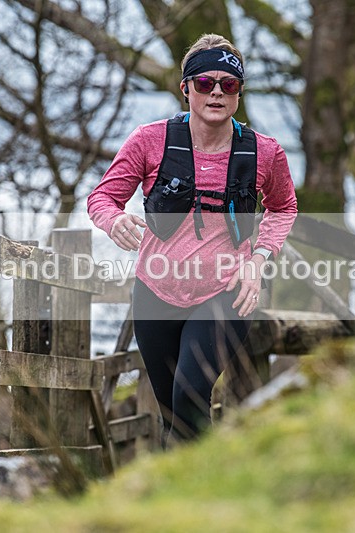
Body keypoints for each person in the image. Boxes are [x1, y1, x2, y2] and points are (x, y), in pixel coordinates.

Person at [87, 34, 297, 442]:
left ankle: (198, 491)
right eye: (205, 83)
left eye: (228, 84)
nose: (216, 92)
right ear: (186, 89)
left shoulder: (264, 153)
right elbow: (102, 197)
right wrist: (113, 221)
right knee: (173, 414)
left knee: (190, 392)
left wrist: (258, 261)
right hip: (156, 290)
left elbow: (284, 207)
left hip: (228, 291)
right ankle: (183, 493)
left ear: (238, 93)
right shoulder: (150, 141)